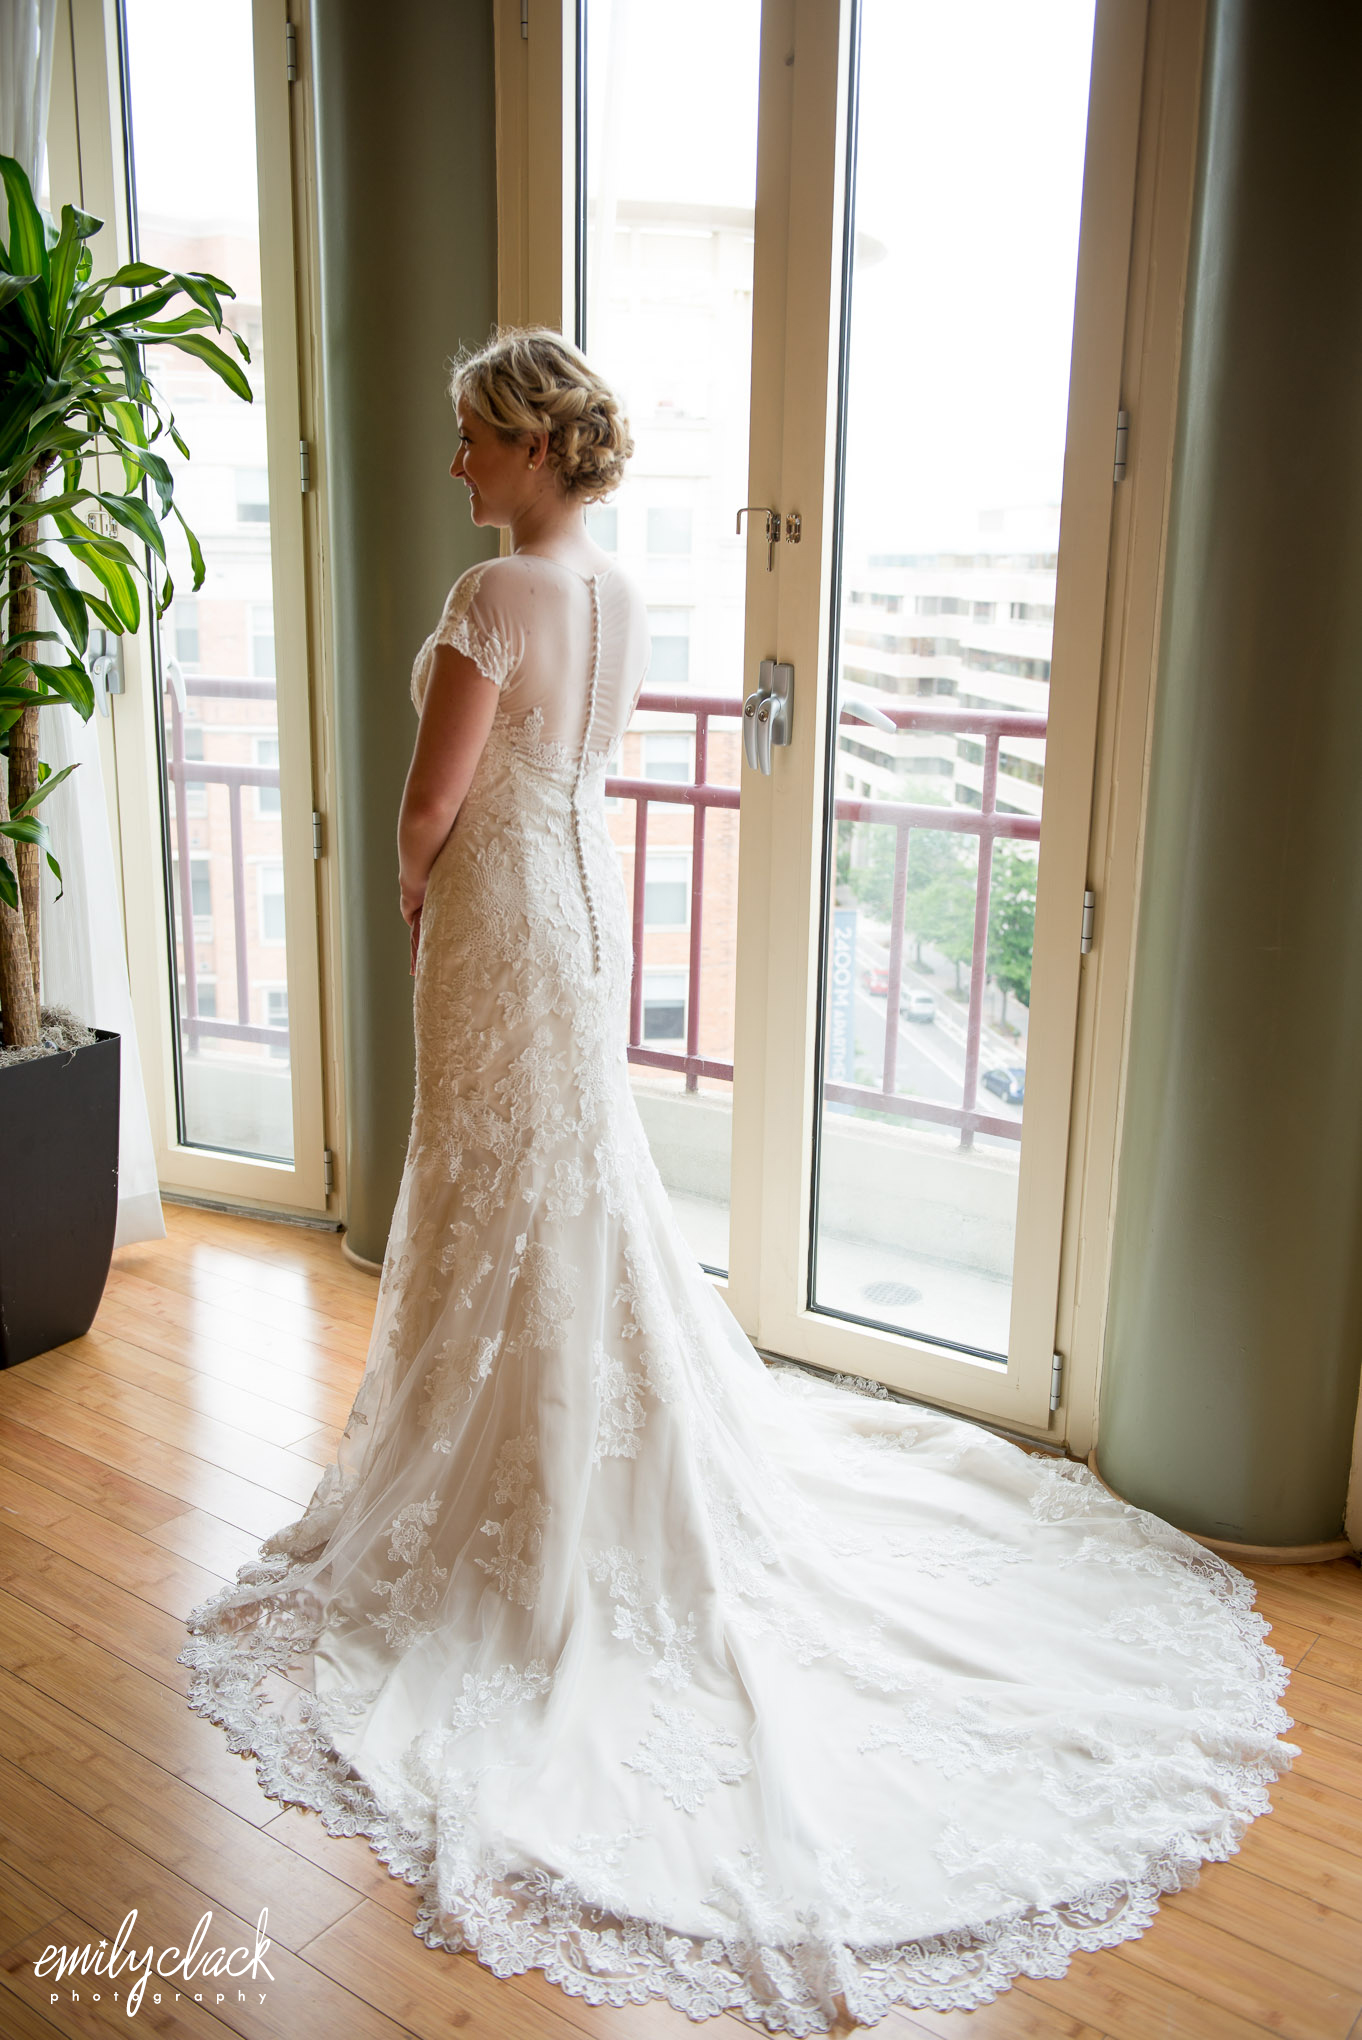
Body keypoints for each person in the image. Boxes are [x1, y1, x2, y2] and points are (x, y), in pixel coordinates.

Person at [180, 327, 1295, 2035]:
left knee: (505, 1198)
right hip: (570, 906)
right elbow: (561, 774)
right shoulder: (614, 595)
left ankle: (520, 1504)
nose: (455, 466)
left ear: (536, 448)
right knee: (566, 1197)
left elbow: (425, 807)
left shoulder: (497, 603)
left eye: (474, 439)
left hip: (493, 917)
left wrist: (406, 886)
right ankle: (553, 1461)